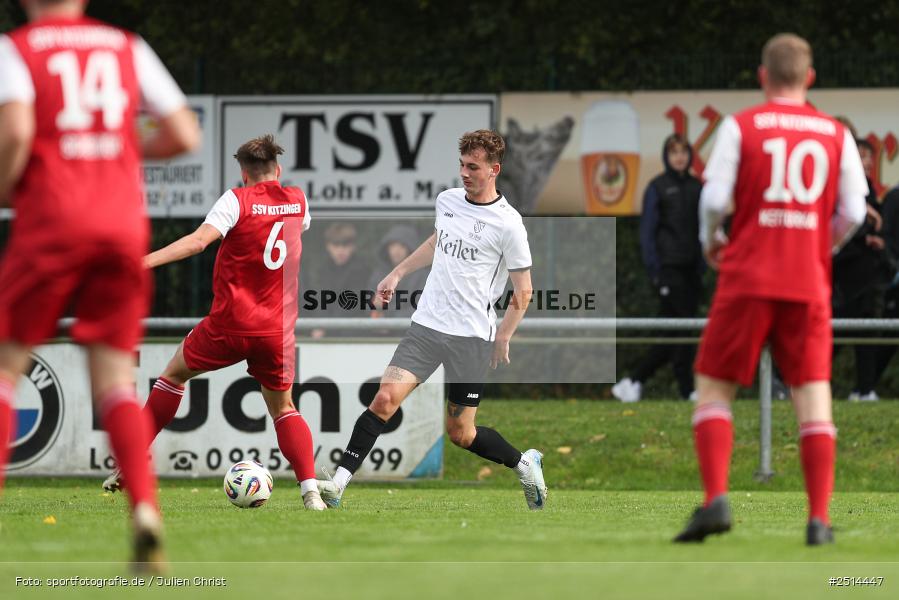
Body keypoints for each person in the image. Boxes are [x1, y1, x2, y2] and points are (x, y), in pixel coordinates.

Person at [0, 0, 198, 570]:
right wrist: (120, 149)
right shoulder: (126, 45)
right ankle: (144, 512)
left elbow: (14, 131)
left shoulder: (17, 49)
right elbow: (184, 134)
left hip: (51, 220)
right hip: (119, 224)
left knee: (7, 365)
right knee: (113, 378)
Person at [673, 34, 868, 546]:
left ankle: (716, 498)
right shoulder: (834, 133)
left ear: (762, 76)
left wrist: (713, 240)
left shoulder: (742, 127)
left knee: (714, 385)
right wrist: (818, 246)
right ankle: (818, 520)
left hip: (748, 275)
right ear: (810, 78)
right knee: (813, 393)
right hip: (806, 280)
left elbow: (713, 198)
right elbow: (853, 207)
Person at [317, 130, 547, 510]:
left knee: (460, 433)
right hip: (427, 327)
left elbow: (524, 290)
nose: (465, 173)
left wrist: (503, 335)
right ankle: (339, 484)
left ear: (494, 170)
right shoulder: (448, 201)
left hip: (472, 337)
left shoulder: (509, 224)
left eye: (473, 167)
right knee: (384, 399)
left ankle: (525, 464)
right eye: (461, 165)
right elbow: (437, 241)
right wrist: (397, 273)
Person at [102, 135, 326, 510]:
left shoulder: (236, 200)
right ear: (278, 169)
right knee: (284, 407)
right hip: (276, 329)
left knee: (173, 375)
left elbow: (197, 242)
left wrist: (141, 263)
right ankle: (312, 492)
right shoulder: (299, 201)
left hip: (231, 323)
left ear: (242, 173)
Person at [612, 134, 704, 402]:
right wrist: (655, 273)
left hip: (691, 273)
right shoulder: (658, 187)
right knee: (682, 330)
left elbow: (703, 229)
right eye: (674, 152)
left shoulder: (698, 187)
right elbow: (647, 234)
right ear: (667, 156)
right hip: (668, 270)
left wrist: (701, 265)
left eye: (684, 152)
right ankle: (685, 389)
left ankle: (633, 381)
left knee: (675, 332)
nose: (679, 157)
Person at [832, 138, 891, 401]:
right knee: (838, 333)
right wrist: (862, 237)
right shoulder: (839, 188)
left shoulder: (868, 188)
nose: (867, 162)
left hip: (866, 274)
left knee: (865, 331)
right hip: (845, 275)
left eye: (869, 156)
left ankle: (865, 389)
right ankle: (796, 381)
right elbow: (847, 222)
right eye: (862, 156)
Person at [302, 222, 370, 337]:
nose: (340, 250)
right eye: (336, 245)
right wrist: (320, 325)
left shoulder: (361, 271)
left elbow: (351, 304)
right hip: (324, 332)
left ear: (353, 246)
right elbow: (319, 300)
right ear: (328, 246)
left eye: (345, 245)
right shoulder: (322, 270)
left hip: (353, 334)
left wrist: (326, 328)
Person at [367, 224, 430, 318]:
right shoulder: (379, 274)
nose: (396, 251)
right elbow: (368, 303)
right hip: (378, 330)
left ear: (410, 248)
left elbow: (421, 309)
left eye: (402, 246)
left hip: (408, 330)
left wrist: (388, 319)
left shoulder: (421, 276)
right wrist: (374, 309)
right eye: (392, 245)